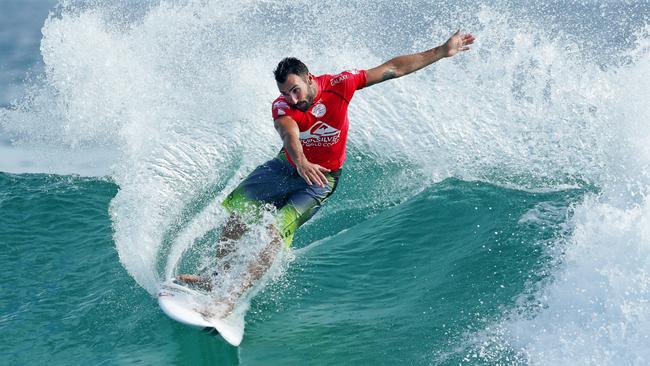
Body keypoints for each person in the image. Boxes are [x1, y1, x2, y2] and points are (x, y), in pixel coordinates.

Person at [178, 30, 475, 312]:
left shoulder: (340, 85)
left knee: (273, 232)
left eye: (295, 90)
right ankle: (216, 278)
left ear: (309, 78)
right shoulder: (282, 107)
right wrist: (302, 161)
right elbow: (289, 135)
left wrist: (441, 51)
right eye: (285, 92)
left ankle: (228, 298)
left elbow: (393, 68)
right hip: (287, 165)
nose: (293, 98)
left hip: (321, 180)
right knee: (240, 209)